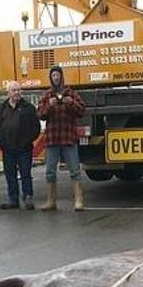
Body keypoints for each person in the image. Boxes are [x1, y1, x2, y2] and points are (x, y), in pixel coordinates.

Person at [38, 65, 86, 211]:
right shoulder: (46, 95)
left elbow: (81, 110)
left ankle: (79, 201)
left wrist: (71, 103)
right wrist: (49, 106)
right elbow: (40, 114)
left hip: (68, 137)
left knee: (75, 170)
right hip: (52, 139)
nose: (56, 77)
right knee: (50, 172)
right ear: (51, 78)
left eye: (58, 75)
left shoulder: (71, 93)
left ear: (61, 76)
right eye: (53, 75)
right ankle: (51, 201)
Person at [0, 81, 41, 210]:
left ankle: (28, 197)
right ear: (8, 92)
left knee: (26, 173)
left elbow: (36, 127)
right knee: (10, 174)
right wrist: (1, 143)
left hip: (24, 148)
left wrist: (27, 141)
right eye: (14, 90)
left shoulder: (28, 108)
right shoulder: (1, 109)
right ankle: (13, 199)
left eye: (19, 90)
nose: (17, 93)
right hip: (8, 148)